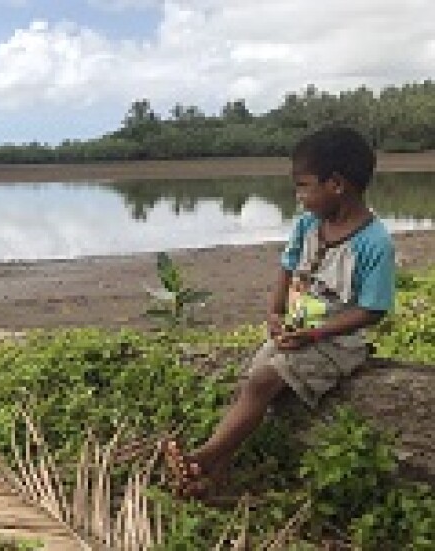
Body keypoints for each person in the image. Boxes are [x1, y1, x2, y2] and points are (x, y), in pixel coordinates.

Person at [166, 126, 396, 497]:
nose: (299, 196)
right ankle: (215, 474)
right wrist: (275, 312)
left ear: (336, 184)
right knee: (252, 379)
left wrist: (316, 334)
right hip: (296, 333)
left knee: (261, 382)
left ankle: (202, 459)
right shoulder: (307, 225)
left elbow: (373, 310)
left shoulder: (374, 243)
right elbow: (288, 269)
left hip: (336, 343)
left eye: (304, 186)